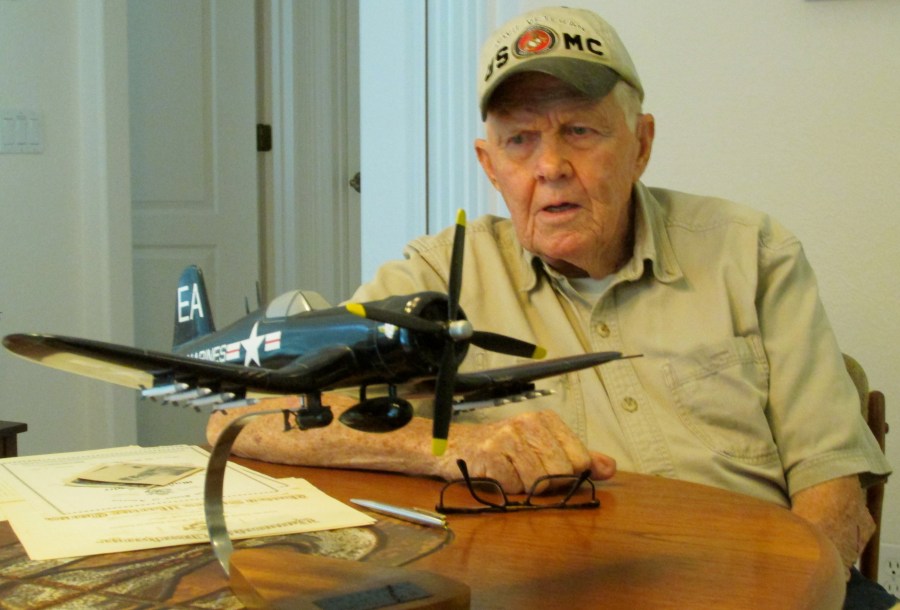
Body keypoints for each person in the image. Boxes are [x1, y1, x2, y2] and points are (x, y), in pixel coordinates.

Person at [207, 6, 894, 608]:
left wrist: (787, 599)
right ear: (489, 165)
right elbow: (242, 419)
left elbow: (834, 496)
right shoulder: (433, 279)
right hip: (544, 594)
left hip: (764, 588)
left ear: (641, 144)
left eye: (581, 131)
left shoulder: (753, 253)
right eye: (520, 140)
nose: (550, 166)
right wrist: (451, 448)